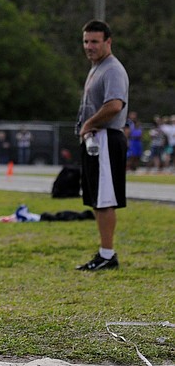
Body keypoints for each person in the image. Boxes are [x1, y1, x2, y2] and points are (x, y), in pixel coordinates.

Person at [75, 20, 129, 272]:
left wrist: (89, 124)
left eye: (95, 41)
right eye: (86, 41)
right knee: (97, 199)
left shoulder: (112, 70)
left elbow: (115, 105)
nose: (89, 46)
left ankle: (108, 255)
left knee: (105, 199)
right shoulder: (96, 67)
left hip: (106, 138)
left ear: (108, 41)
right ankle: (104, 252)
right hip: (96, 140)